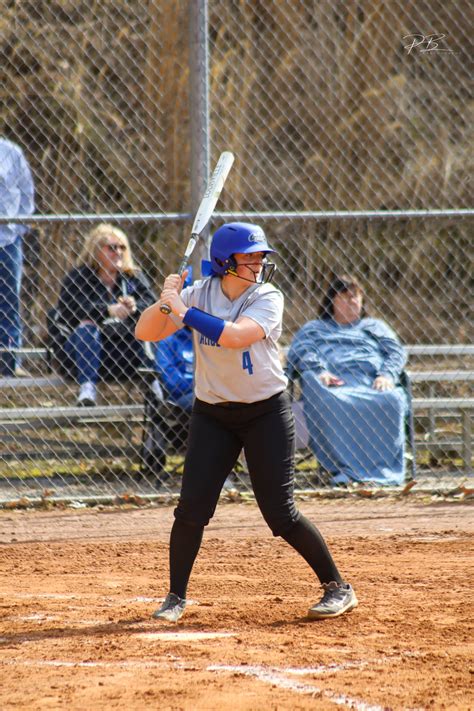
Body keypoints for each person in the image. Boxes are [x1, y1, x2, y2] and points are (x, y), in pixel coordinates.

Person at [135, 222, 357, 622]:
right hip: (213, 414)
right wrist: (165, 300)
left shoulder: (267, 297)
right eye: (249, 256)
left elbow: (235, 336)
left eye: (260, 256)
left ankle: (338, 587)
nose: (258, 263)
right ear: (225, 261)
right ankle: (175, 596)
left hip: (265, 412)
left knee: (280, 513)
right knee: (190, 510)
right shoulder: (197, 292)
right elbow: (145, 331)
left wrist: (183, 311)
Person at [287, 273, 408, 487]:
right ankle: (344, 469)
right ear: (331, 300)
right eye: (345, 296)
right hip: (333, 384)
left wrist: (386, 374)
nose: (352, 301)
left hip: (371, 382)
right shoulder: (315, 328)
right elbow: (301, 350)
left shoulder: (375, 327)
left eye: (356, 297)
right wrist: (318, 371)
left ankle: (381, 473)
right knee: (325, 396)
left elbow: (395, 353)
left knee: (392, 399)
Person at [50, 223, 156, 406]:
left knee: (149, 331)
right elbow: (68, 309)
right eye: (112, 248)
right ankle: (87, 389)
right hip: (84, 354)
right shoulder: (79, 277)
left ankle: (155, 386)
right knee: (87, 327)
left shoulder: (133, 277)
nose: (119, 252)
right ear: (96, 250)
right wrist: (107, 310)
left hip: (123, 352)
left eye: (122, 247)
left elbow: (154, 305)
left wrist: (135, 306)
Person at [0, 137, 35, 376]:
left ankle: (9, 362)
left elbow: (26, 194)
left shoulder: (11, 152)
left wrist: (15, 229)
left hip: (7, 239)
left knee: (9, 299)